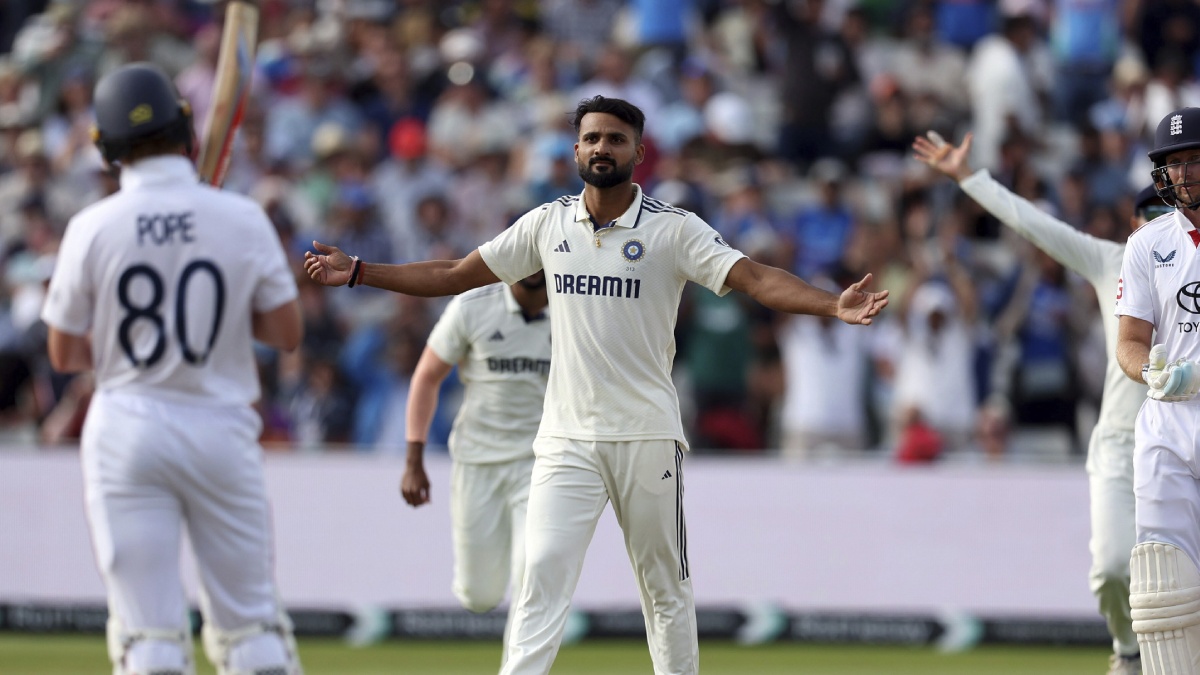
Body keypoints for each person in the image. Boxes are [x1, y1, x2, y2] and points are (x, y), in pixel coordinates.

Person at [305, 95, 888, 675]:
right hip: (566, 440)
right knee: (540, 578)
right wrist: (359, 271)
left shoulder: (673, 229)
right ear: (575, 150)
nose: (601, 148)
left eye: (614, 139)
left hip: (646, 434)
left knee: (664, 586)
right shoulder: (547, 223)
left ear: (638, 152)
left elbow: (755, 278)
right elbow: (456, 274)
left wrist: (831, 304)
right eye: (591, 138)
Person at [40, 62, 304, 675]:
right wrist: (220, 320)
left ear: (106, 148)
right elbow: (286, 334)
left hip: (126, 430)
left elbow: (64, 354)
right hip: (219, 427)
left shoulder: (90, 227)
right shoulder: (241, 217)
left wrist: (130, 344)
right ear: (186, 129)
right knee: (253, 631)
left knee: (149, 637)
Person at [914, 130, 1163, 675]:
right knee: (1112, 569)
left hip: (1183, 443)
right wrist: (969, 178)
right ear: (1132, 223)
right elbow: (1036, 226)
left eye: (1166, 212)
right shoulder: (1113, 262)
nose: (1156, 223)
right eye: (1148, 214)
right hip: (1121, 443)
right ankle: (1127, 650)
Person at [400, 270, 550, 666]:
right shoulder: (472, 306)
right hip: (477, 460)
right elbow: (426, 376)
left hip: (542, 462)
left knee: (533, 572)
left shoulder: (576, 307)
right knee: (478, 595)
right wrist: (413, 459)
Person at [1113, 106, 1200, 675]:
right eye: (1175, 163)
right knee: (1163, 586)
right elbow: (1129, 343)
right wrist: (1152, 373)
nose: (1184, 173)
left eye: (1194, 159)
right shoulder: (1146, 244)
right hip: (1167, 422)